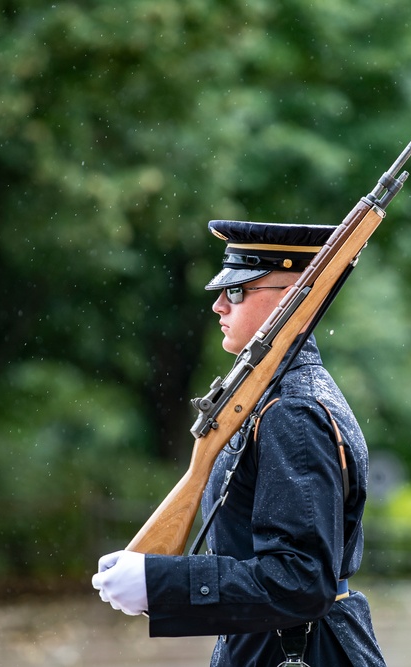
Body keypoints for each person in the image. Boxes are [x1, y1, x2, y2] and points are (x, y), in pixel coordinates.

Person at [92, 220, 387, 667]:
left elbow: (300, 580)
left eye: (236, 292)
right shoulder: (272, 394)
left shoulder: (292, 409)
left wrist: (164, 582)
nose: (217, 305)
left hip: (299, 652)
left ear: (291, 298)